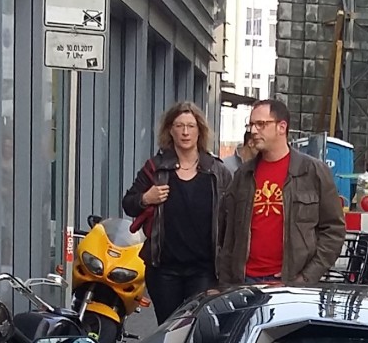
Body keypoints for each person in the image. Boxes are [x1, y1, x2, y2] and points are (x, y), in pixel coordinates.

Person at [216, 98, 346, 286]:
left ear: (281, 127)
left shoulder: (312, 172)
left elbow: (334, 231)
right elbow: (229, 236)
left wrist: (305, 278)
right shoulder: (243, 175)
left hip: (291, 285)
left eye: (261, 124)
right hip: (244, 282)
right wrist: (225, 284)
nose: (253, 131)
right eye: (251, 124)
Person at [123, 101, 230, 322]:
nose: (185, 132)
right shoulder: (156, 168)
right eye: (179, 125)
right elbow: (129, 203)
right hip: (164, 269)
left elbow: (232, 219)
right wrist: (146, 198)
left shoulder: (216, 171)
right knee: (168, 328)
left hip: (204, 270)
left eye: (190, 126)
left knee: (197, 327)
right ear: (170, 130)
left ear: (199, 131)